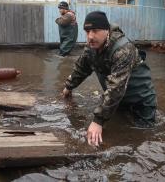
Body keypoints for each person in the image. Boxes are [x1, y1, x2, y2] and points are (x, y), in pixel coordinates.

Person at [62, 11, 157, 146]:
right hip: (118, 102)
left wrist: (98, 120)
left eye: (95, 31)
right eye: (87, 31)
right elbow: (81, 68)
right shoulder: (91, 48)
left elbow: (116, 88)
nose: (90, 36)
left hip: (141, 102)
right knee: (115, 133)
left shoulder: (123, 49)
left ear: (106, 30)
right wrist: (68, 86)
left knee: (143, 139)